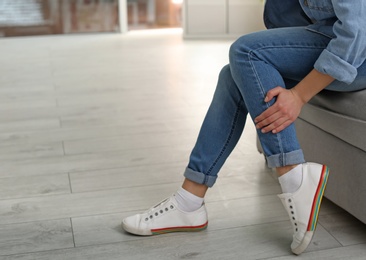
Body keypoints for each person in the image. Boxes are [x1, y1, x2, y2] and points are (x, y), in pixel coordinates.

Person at [122, 0, 366, 255]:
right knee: (233, 75)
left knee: (246, 51)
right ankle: (189, 201)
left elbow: (357, 33)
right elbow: (287, 22)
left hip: (359, 52)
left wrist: (299, 95)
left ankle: (292, 172)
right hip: (327, 36)